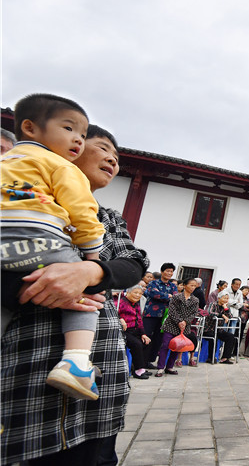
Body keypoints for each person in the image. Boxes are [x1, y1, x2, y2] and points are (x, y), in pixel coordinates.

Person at [1, 124, 149, 465]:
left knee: (99, 455)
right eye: (102, 148)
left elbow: (134, 262)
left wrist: (91, 271)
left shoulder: (108, 218)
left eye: (117, 156)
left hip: (101, 375)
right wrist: (34, 289)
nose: (112, 159)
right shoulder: (19, 207)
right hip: (27, 371)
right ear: (68, 148)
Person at [1, 94, 105, 400]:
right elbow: (83, 213)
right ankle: (76, 360)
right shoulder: (60, 166)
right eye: (69, 129)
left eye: (83, 135)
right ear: (30, 128)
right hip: (42, 241)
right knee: (87, 294)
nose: (78, 140)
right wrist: (91, 259)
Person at [154, 278, 199, 377]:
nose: (193, 287)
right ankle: (160, 368)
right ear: (185, 285)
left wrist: (185, 322)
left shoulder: (195, 300)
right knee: (165, 346)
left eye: (194, 286)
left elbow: (194, 313)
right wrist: (179, 321)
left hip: (184, 327)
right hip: (171, 325)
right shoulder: (176, 297)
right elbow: (172, 311)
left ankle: (170, 367)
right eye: (191, 285)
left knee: (178, 347)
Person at [143, 263, 177, 365]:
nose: (169, 273)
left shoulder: (173, 286)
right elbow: (154, 294)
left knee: (158, 339)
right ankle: (140, 362)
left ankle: (150, 361)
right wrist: (168, 296)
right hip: (151, 314)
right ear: (162, 272)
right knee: (146, 336)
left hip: (165, 317)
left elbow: (175, 298)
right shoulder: (153, 283)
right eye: (167, 271)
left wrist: (166, 296)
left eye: (171, 271)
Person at [115, 286, 151, 379]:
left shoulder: (136, 305)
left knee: (146, 342)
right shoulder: (120, 302)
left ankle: (140, 367)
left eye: (140, 293)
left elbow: (139, 321)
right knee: (137, 344)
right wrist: (120, 319)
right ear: (128, 292)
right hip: (124, 331)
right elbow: (114, 314)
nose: (138, 295)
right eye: (135, 293)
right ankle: (138, 371)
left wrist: (143, 334)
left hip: (135, 330)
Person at [204, 292, 239, 364]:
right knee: (214, 337)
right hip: (209, 329)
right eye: (224, 298)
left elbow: (230, 316)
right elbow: (210, 313)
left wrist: (226, 308)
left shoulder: (226, 306)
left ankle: (225, 358)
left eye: (227, 298)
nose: (226, 300)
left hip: (219, 329)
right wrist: (222, 315)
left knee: (230, 337)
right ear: (219, 298)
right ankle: (211, 357)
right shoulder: (213, 304)